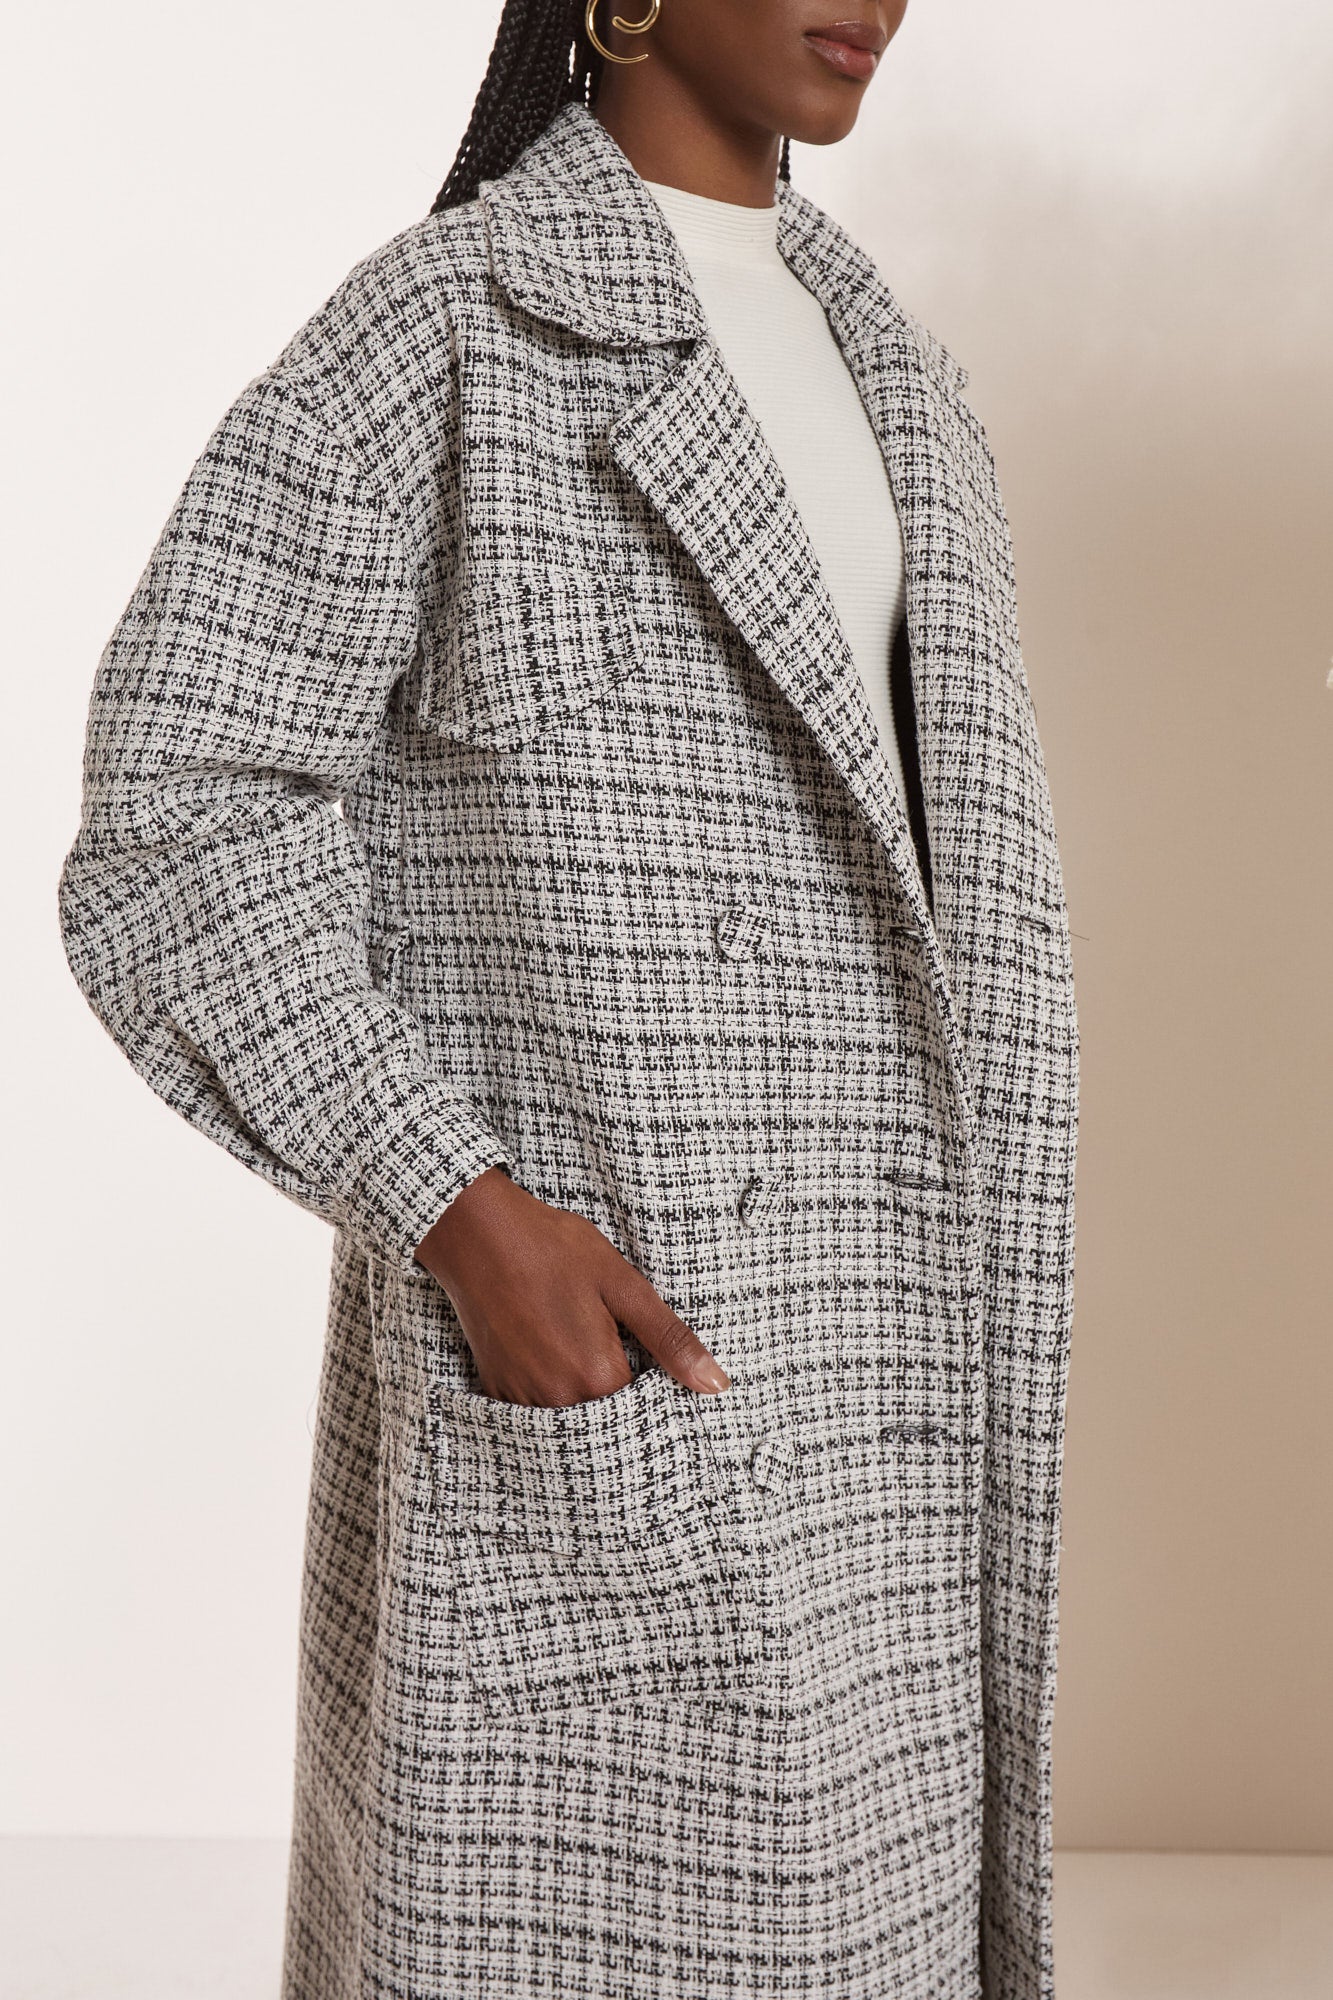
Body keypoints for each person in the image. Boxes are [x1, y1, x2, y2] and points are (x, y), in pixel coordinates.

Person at [58, 1, 1080, 1995]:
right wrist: (459, 1207)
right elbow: (178, 821)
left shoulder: (899, 374)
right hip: (626, 1366)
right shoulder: (435, 336)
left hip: (892, 1398)